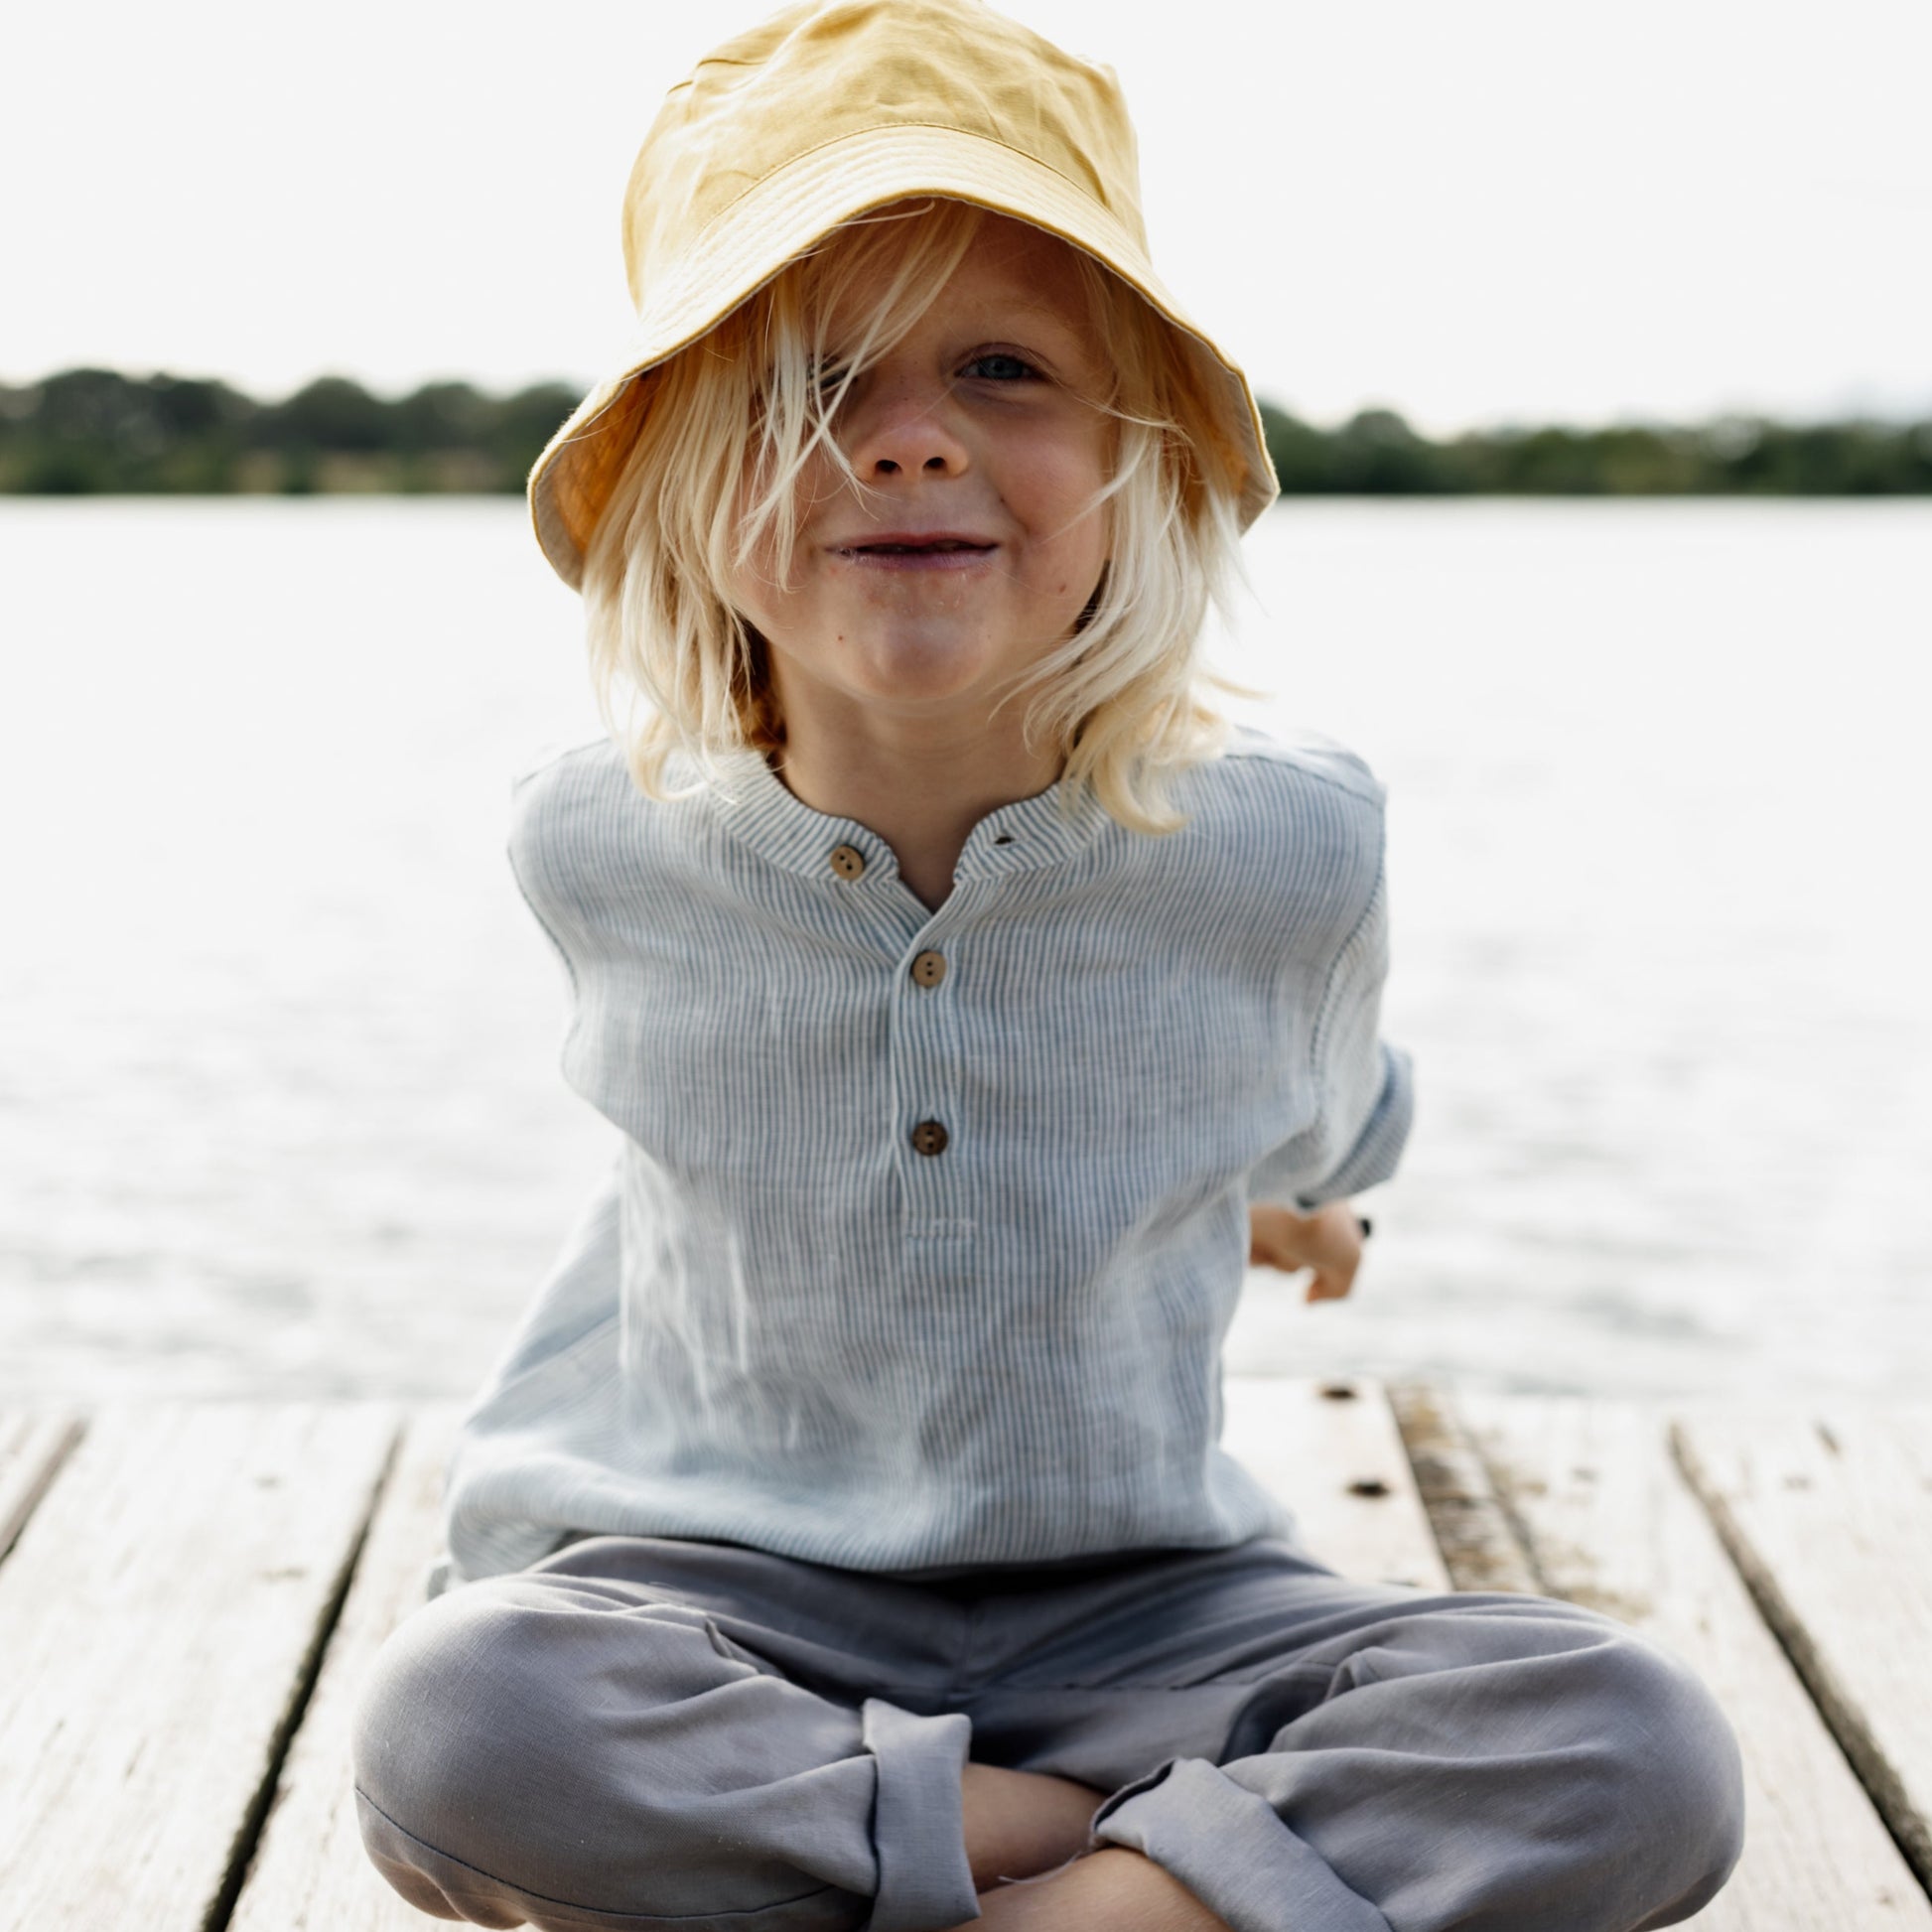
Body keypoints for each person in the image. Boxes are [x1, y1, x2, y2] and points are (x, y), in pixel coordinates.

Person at [348, 3, 1747, 1928]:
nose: (906, 433)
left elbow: (1332, 1102)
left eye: (1000, 366)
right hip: (721, 1594)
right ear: (678, 473)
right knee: (461, 1724)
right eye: (811, 378)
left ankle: (960, 1876)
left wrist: (1301, 1201)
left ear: (1131, 454)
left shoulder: (1285, 847)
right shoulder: (594, 839)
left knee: (1631, 1742)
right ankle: (1132, 1861)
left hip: (1152, 1607)